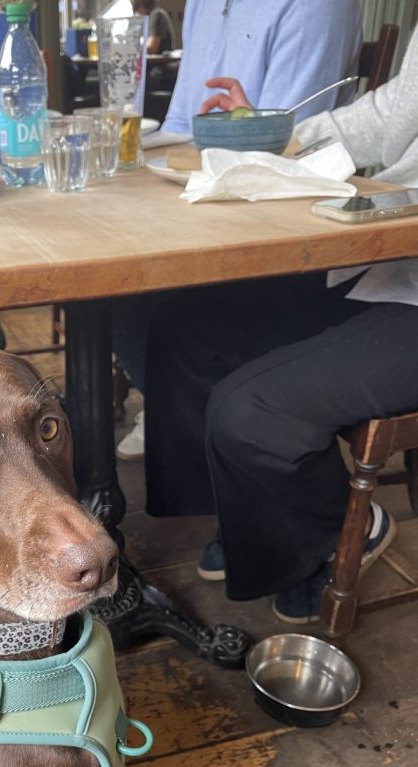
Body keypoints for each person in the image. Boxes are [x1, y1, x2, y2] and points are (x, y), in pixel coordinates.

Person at [139, 23, 418, 623]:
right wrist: (271, 133)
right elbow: (393, 115)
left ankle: (331, 532)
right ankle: (251, 518)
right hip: (390, 262)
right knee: (184, 334)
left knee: (253, 410)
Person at [115, 0, 363, 459]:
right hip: (202, 185)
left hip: (280, 218)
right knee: (108, 264)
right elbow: (182, 123)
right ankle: (176, 407)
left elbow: (282, 145)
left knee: (136, 288)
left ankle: (198, 421)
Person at [162, 0, 362, 135]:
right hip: (194, 181)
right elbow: (178, 124)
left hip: (277, 190)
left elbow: (282, 144)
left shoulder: (314, 6)